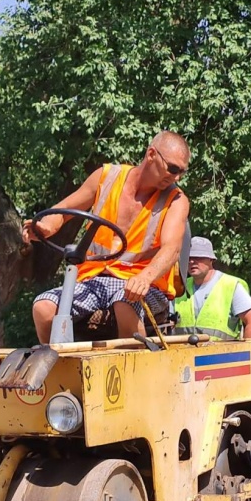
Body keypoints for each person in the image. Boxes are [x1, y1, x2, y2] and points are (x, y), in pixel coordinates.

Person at [23, 131, 192, 343]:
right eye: (173, 169)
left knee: (125, 303)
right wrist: (46, 226)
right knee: (43, 307)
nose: (176, 177)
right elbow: (65, 209)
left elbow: (172, 249)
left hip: (142, 285)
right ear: (151, 155)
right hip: (94, 279)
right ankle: (61, 369)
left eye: (181, 172)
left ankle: (127, 371)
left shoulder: (176, 200)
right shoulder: (106, 176)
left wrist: (144, 278)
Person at [173, 236, 251, 340]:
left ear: (211, 259)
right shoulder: (179, 286)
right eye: (188, 258)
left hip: (222, 355)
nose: (192, 262)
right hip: (184, 355)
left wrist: (245, 353)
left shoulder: (230, 285)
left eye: (198, 257)